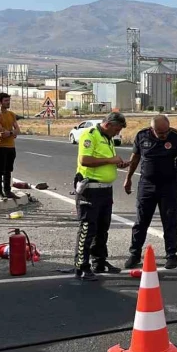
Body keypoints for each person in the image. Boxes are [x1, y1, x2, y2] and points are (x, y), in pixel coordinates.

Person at [123, 115, 177, 270]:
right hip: (146, 186)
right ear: (152, 129)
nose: (163, 135)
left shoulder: (176, 137)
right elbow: (135, 158)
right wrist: (128, 178)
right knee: (141, 222)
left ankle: (171, 255)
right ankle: (134, 254)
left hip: (168, 187)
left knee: (170, 221)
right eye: (160, 133)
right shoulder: (142, 136)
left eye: (165, 132)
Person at [72, 112, 128, 281]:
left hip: (105, 189)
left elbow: (106, 159)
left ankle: (100, 261)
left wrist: (119, 163)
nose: (117, 133)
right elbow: (85, 160)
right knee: (88, 227)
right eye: (117, 129)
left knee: (103, 228)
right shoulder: (90, 135)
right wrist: (111, 160)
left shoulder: (108, 138)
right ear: (108, 124)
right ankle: (81, 266)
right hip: (91, 189)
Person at [0, 93, 21, 200]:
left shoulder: (11, 114)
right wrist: (12, 133)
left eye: (9, 100)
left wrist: (10, 133)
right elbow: (1, 132)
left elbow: (18, 130)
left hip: (11, 146)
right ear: (0, 102)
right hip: (1, 146)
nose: (8, 102)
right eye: (6, 100)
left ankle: (7, 191)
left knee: (8, 170)